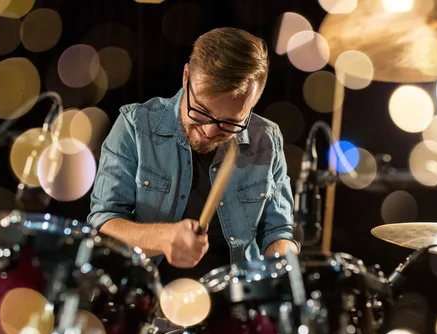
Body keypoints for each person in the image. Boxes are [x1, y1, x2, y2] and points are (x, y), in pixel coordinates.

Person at [87, 27, 299, 284]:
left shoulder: (266, 139)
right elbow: (104, 223)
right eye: (201, 111)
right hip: (149, 298)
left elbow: (278, 231)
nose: (209, 131)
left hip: (233, 304)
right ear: (186, 77)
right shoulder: (134, 125)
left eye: (231, 123)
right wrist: (163, 238)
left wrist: (281, 266)